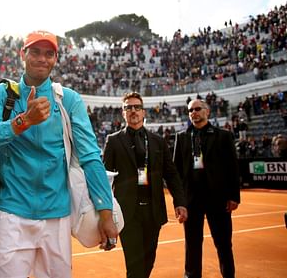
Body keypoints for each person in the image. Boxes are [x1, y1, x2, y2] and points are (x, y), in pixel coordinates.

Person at [0, 30, 118, 278]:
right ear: (23, 54)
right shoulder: (2, 94)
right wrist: (23, 122)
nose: (42, 58)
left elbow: (91, 157)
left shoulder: (68, 100)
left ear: (55, 59)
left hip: (57, 218)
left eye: (49, 53)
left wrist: (105, 212)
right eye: (35, 52)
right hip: (11, 215)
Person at [103, 92, 187, 278]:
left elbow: (171, 173)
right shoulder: (114, 141)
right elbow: (105, 178)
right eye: (128, 108)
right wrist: (104, 214)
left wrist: (179, 201)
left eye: (137, 107)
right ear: (123, 113)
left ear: (143, 112)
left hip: (153, 211)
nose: (133, 111)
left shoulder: (158, 140)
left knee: (149, 261)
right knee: (134, 266)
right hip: (128, 213)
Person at [173, 99, 240, 278]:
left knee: (224, 243)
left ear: (207, 111)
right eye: (190, 110)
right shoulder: (182, 137)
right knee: (192, 243)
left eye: (197, 109)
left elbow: (232, 167)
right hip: (191, 200)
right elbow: (176, 172)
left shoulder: (223, 136)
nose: (193, 112)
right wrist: (179, 201)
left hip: (218, 199)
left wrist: (234, 196)